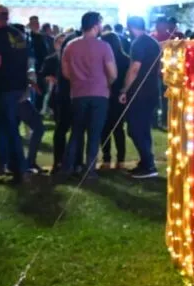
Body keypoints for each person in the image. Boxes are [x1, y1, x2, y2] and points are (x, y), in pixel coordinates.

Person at [62, 11, 117, 180]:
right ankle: (89, 170)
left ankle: (68, 167)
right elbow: (113, 73)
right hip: (99, 94)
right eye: (100, 24)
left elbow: (65, 72)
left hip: (78, 93)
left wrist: (78, 80)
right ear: (95, 26)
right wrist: (106, 83)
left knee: (76, 132)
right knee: (94, 134)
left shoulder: (70, 45)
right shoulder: (104, 46)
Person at [0, 6, 29, 181]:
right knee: (5, 125)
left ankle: (19, 167)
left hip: (5, 86)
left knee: (9, 127)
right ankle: (2, 163)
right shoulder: (19, 35)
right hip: (19, 85)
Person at [121, 16, 161, 178]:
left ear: (131, 27)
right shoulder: (153, 43)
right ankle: (145, 162)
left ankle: (148, 164)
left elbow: (134, 69)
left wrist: (124, 89)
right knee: (144, 128)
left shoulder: (138, 44)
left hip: (139, 92)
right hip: (152, 90)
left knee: (135, 129)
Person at [51, 30, 80, 174]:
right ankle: (74, 163)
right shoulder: (75, 44)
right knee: (76, 129)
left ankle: (60, 161)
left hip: (64, 92)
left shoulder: (69, 45)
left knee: (62, 128)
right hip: (72, 92)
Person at [100, 31, 130, 169]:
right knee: (118, 128)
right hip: (120, 96)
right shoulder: (125, 59)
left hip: (105, 94)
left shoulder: (104, 58)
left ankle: (106, 159)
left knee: (105, 128)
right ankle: (121, 160)